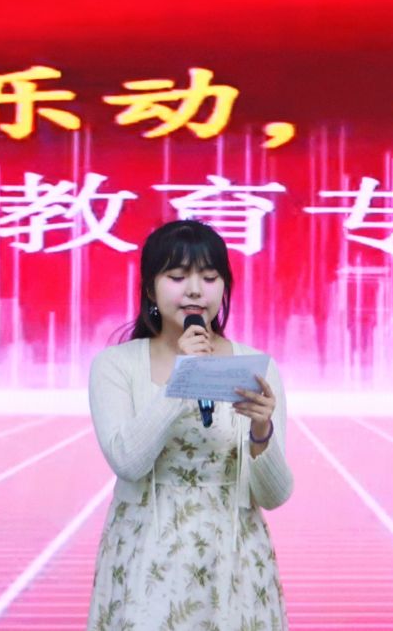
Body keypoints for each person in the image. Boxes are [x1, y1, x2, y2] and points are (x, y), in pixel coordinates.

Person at [87, 219, 292, 631]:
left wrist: (261, 432)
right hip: (145, 557)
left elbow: (274, 495)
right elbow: (127, 462)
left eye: (210, 278)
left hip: (233, 559)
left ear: (224, 287)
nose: (195, 290)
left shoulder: (256, 366)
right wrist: (180, 380)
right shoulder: (116, 365)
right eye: (178, 277)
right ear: (150, 289)